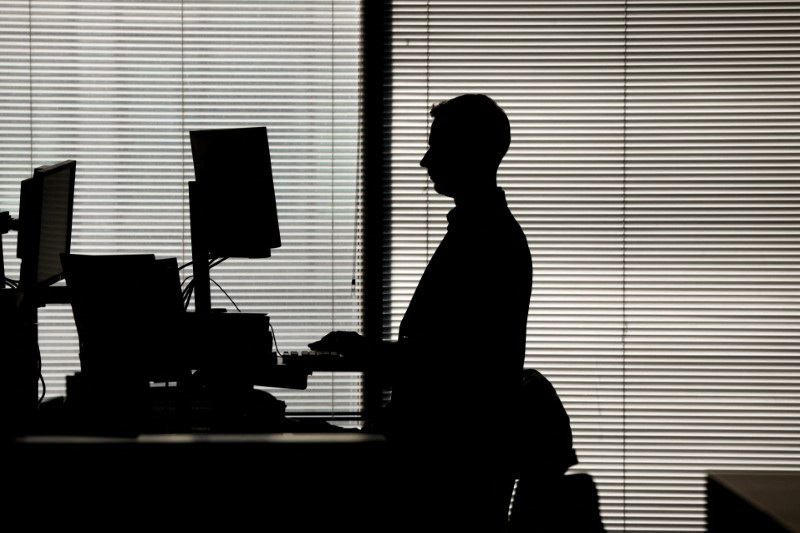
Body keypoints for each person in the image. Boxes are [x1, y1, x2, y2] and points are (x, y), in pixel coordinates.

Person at [310, 93, 532, 530]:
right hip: (437, 452)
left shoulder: (487, 243)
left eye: (438, 147)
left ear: (470, 154)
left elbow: (452, 361)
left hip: (444, 465)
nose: (425, 162)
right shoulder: (480, 232)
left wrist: (366, 352)